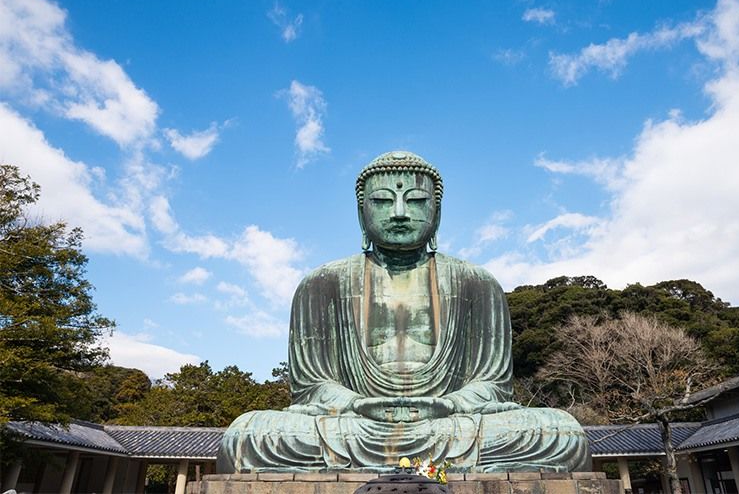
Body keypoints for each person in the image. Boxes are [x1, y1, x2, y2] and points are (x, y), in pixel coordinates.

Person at [217, 151, 588, 472]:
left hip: (451, 424)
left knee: (560, 433)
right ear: (361, 214)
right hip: (354, 424)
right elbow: (311, 386)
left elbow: (492, 384)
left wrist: (449, 404)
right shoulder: (322, 283)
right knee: (248, 435)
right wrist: (357, 404)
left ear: (436, 212)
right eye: (381, 201)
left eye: (414, 201)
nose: (398, 213)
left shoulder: (476, 283)